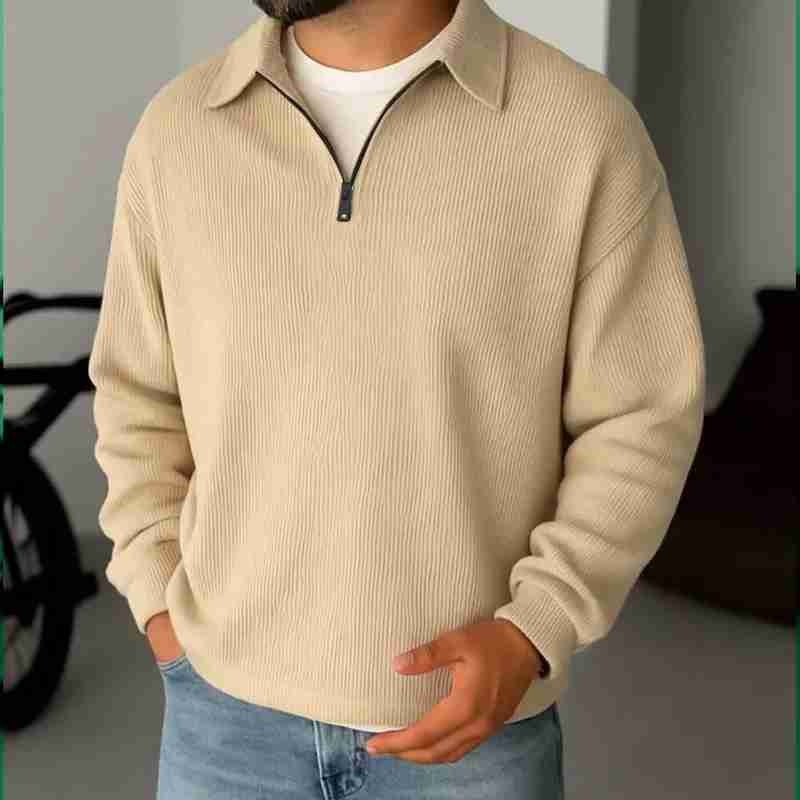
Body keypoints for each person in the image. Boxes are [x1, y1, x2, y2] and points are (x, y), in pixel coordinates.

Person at [88, 0, 706, 796]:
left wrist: (534, 629)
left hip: (470, 735)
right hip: (222, 722)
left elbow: (641, 418)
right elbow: (136, 395)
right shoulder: (178, 131)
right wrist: (156, 598)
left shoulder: (582, 132)